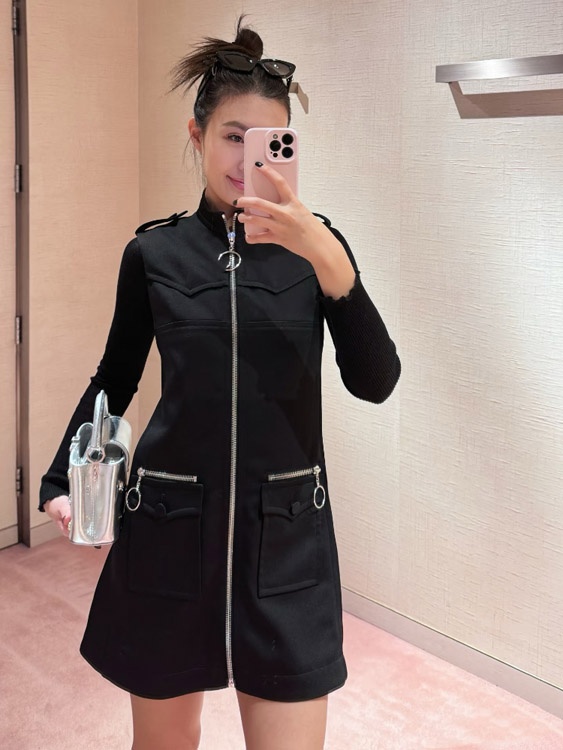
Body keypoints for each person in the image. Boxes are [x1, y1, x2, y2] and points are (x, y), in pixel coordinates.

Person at [40, 16, 401, 750]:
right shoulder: (154, 254)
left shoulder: (317, 251)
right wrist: (59, 476)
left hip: (287, 539)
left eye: (268, 140)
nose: (246, 159)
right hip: (169, 531)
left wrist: (331, 263)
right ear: (197, 134)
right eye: (232, 136)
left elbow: (376, 381)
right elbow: (115, 375)